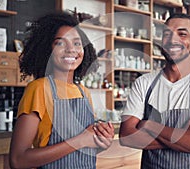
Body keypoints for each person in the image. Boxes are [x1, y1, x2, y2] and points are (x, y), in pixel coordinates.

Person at [9, 12, 115, 169]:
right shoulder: (39, 89)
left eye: (77, 43)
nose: (71, 50)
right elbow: (18, 160)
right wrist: (81, 140)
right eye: (60, 43)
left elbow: (82, 149)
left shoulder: (83, 92)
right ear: (47, 49)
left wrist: (100, 142)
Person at [119, 13, 190, 169]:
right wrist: (183, 137)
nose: (173, 40)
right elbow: (127, 136)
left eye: (182, 34)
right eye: (167, 34)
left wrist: (150, 126)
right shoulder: (144, 83)